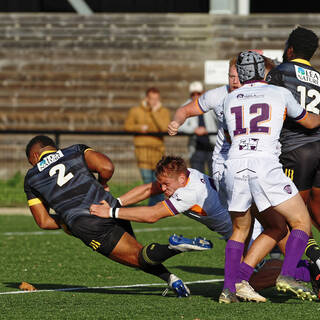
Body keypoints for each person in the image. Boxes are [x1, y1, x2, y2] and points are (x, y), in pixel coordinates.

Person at [23, 135, 190, 297]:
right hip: (108, 205)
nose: (33, 164)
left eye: (31, 161)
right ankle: (171, 279)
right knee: (138, 254)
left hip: (87, 223)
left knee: (138, 257)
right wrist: (102, 183)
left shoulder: (31, 177)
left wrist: (66, 220)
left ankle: (173, 247)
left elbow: (44, 221)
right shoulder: (75, 150)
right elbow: (107, 167)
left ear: (35, 155)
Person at [220, 50, 320, 303]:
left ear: (240, 74)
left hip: (234, 165)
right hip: (265, 165)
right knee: (300, 222)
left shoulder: (229, 99)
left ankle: (231, 287)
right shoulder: (280, 92)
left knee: (241, 229)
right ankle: (288, 275)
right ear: (264, 71)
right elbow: (308, 122)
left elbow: (232, 136)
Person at [267, 26, 320, 293]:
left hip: (295, 151)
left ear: (290, 49)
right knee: (317, 213)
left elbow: (268, 104)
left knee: (293, 217)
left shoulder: (280, 72)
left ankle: (315, 265)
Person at [90, 156, 233, 242]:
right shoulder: (185, 174)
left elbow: (152, 214)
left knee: (245, 283)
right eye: (162, 184)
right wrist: (115, 202)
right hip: (236, 232)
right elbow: (148, 189)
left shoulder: (188, 192)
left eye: (166, 184)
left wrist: (110, 212)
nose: (163, 189)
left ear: (182, 179)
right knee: (239, 283)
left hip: (245, 234)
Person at [124, 87, 170, 205]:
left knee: (158, 181)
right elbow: (127, 126)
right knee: (147, 181)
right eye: (151, 99)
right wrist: (139, 128)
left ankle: (155, 206)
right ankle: (155, 206)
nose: (154, 101)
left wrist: (155, 112)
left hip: (158, 152)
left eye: (156, 99)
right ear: (146, 98)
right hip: (142, 152)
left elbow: (164, 128)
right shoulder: (135, 110)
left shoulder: (163, 111)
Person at [178, 81, 218, 176]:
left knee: (215, 177)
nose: (196, 96)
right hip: (196, 147)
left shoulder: (210, 104)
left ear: (203, 93)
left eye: (198, 93)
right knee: (197, 177)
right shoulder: (185, 107)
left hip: (212, 146)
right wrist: (194, 130)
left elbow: (220, 119)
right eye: (193, 94)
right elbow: (180, 126)